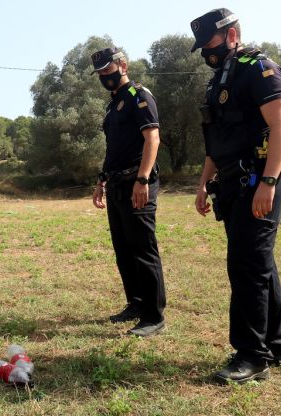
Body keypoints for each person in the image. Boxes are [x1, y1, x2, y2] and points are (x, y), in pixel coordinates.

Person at [189, 8, 281, 384]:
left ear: (232, 34)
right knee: (258, 261)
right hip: (232, 180)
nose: (207, 52)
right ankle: (276, 343)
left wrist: (268, 181)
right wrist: (204, 182)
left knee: (245, 264)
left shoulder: (259, 68)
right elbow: (215, 141)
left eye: (211, 43)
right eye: (201, 47)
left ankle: (252, 356)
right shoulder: (219, 80)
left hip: (259, 178)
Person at [91, 46, 166, 338]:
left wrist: (143, 179)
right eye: (99, 73)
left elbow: (153, 138)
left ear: (123, 65)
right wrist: (101, 180)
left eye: (107, 70)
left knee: (143, 248)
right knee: (124, 249)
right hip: (117, 183)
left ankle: (154, 315)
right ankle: (135, 303)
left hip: (138, 182)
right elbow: (113, 149)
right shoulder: (113, 105)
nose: (104, 77)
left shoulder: (139, 95)